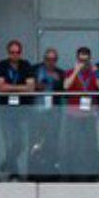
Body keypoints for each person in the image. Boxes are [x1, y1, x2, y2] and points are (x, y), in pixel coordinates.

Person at [61, 47, 99, 179]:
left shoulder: (94, 73)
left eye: (86, 60)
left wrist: (96, 72)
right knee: (74, 144)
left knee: (90, 145)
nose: (83, 63)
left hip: (90, 115)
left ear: (90, 59)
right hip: (74, 115)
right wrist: (76, 70)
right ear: (77, 59)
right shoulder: (70, 72)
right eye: (81, 60)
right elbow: (66, 86)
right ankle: (73, 174)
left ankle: (90, 174)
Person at [0, 40, 35, 180]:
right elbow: (0, 87)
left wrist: (9, 86)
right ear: (8, 53)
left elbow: (31, 88)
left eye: (17, 52)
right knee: (9, 142)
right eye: (12, 52)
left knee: (21, 143)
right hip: (6, 110)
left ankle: (4, 167)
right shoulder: (2, 65)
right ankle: (14, 173)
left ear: (21, 53)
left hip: (22, 111)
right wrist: (21, 87)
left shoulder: (26, 65)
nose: (15, 55)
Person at [30, 48, 65, 180]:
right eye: (48, 59)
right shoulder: (35, 70)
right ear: (44, 59)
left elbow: (65, 90)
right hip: (36, 112)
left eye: (54, 60)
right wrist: (36, 85)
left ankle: (51, 170)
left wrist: (58, 82)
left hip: (53, 112)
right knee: (35, 141)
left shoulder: (60, 73)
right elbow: (28, 85)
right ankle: (34, 171)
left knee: (52, 141)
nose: (51, 62)